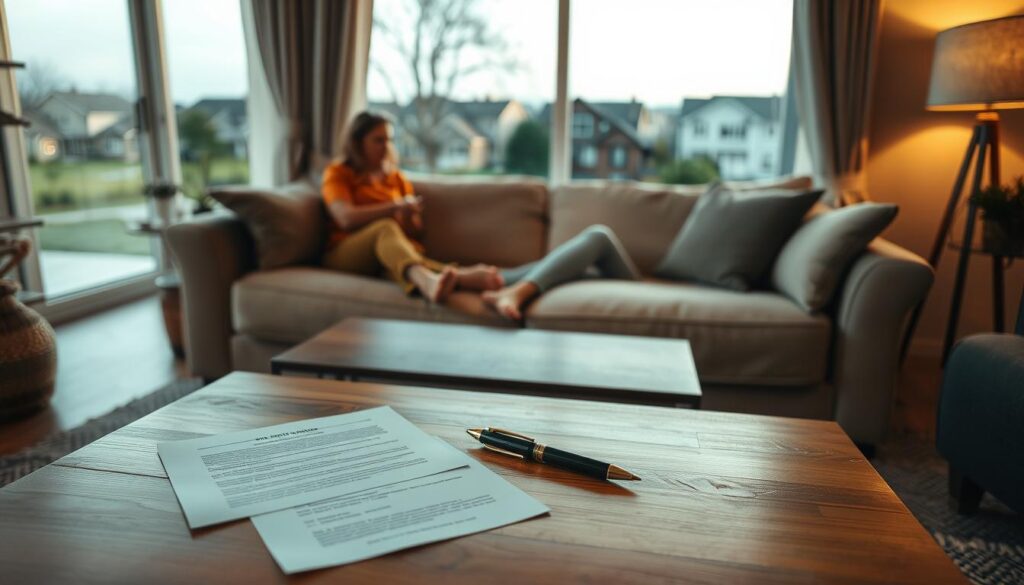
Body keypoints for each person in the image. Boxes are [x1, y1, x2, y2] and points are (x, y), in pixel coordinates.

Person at [321, 112, 502, 301]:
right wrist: (394, 207)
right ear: (358, 142)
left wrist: (407, 215)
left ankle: (444, 280)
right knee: (385, 227)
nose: (386, 147)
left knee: (397, 264)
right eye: (378, 140)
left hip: (387, 255)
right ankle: (451, 276)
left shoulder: (396, 178)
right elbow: (345, 218)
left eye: (389, 140)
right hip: (346, 253)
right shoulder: (338, 173)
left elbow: (415, 232)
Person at [483, 224, 641, 321]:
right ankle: (471, 278)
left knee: (599, 236)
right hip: (620, 277)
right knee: (565, 268)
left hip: (634, 282)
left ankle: (511, 289)